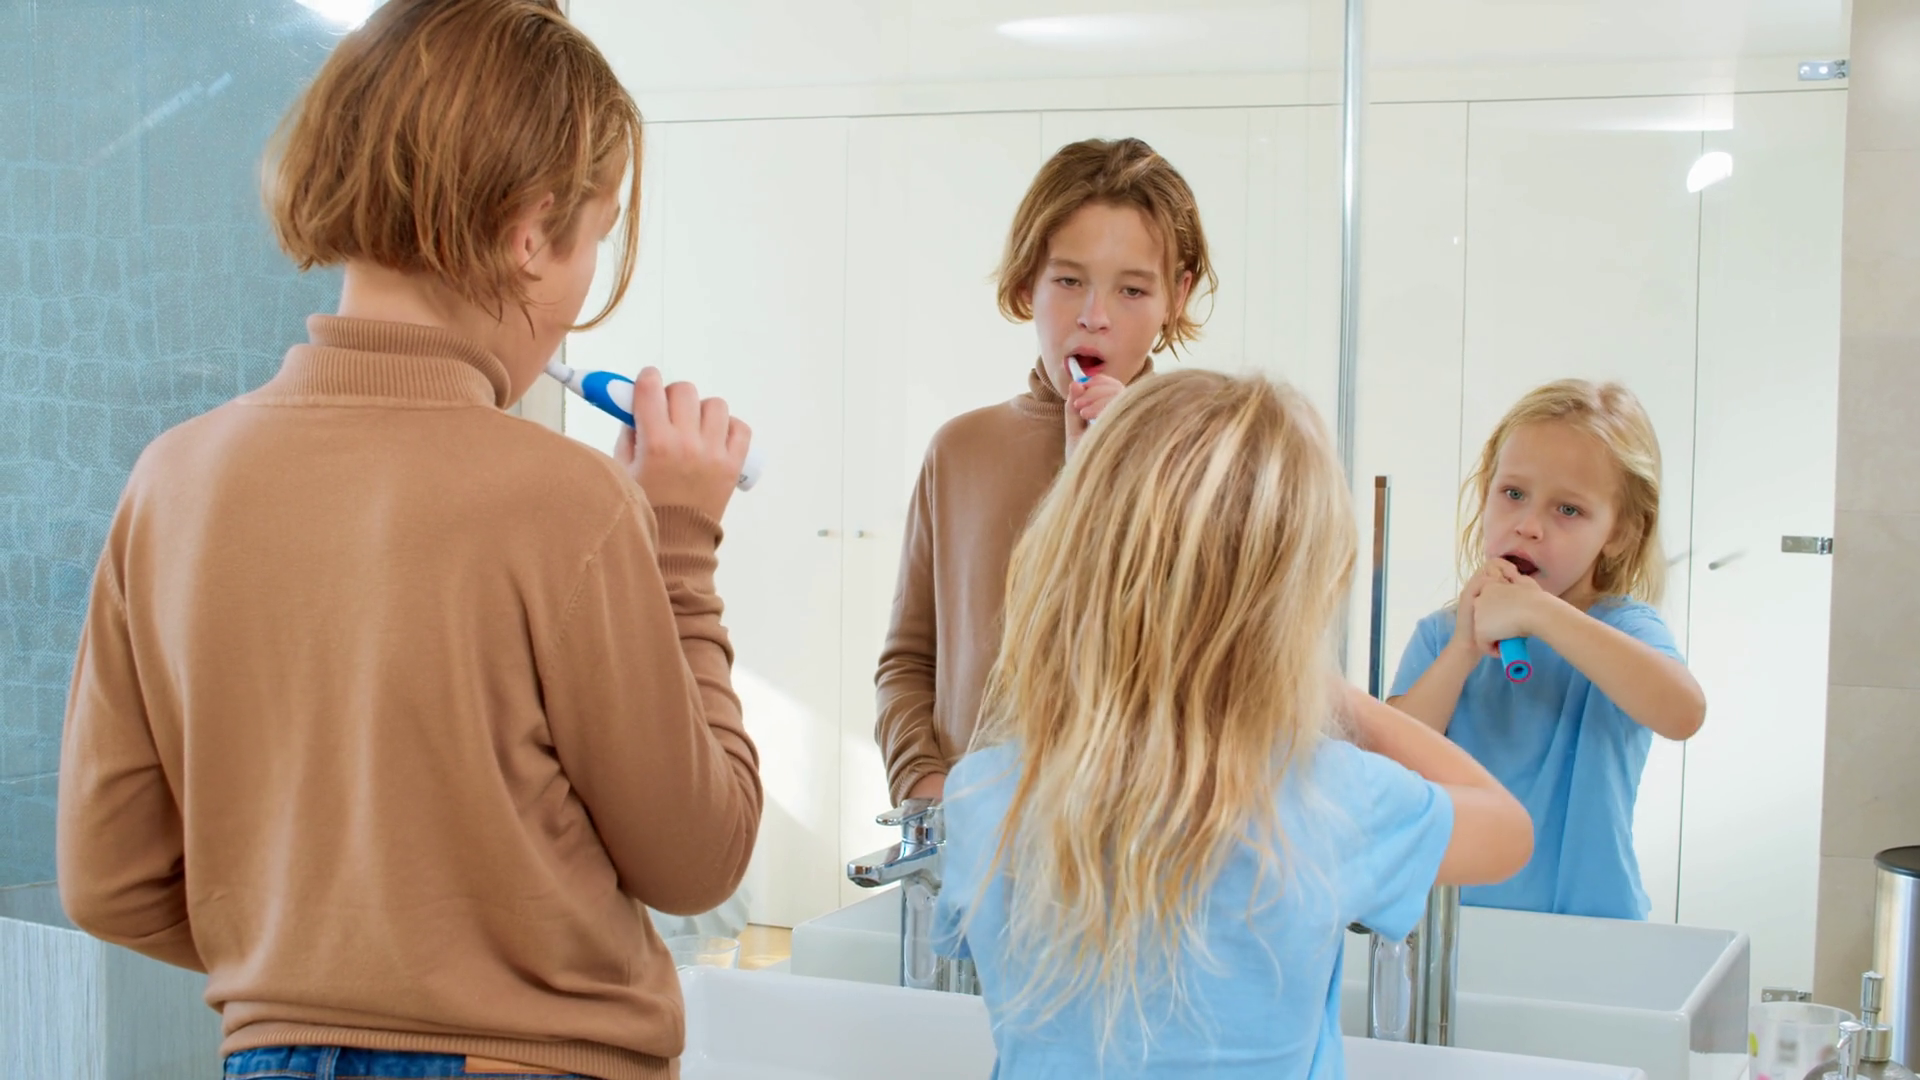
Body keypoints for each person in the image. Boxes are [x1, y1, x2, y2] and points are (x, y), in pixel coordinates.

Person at [55, 3, 760, 1078]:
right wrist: (680, 545)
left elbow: (108, 880)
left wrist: (320, 961)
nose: (582, 287)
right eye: (594, 234)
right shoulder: (567, 501)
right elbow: (700, 858)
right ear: (531, 232)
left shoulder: (171, 479)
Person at [934, 369, 1533, 1077]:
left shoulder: (985, 795)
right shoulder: (1324, 799)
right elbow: (1507, 829)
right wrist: (1330, 691)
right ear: (1292, 607)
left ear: (1075, 563)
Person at [875, 136, 1217, 805]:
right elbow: (908, 662)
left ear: (1175, 296)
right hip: (973, 838)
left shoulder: (1207, 459)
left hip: (1142, 841)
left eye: (1132, 289)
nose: (1094, 317)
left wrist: (1125, 463)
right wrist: (928, 788)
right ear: (1028, 279)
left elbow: (1213, 675)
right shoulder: (960, 451)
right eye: (1068, 281)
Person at [1389, 379, 1706, 920]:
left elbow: (1683, 713)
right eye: (1513, 494)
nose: (1529, 526)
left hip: (1591, 931)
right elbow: (1388, 766)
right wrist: (1463, 651)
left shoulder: (1624, 630)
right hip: (1456, 926)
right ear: (1486, 492)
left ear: (1621, 532)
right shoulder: (1442, 637)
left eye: (1568, 510)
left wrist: (1540, 614)